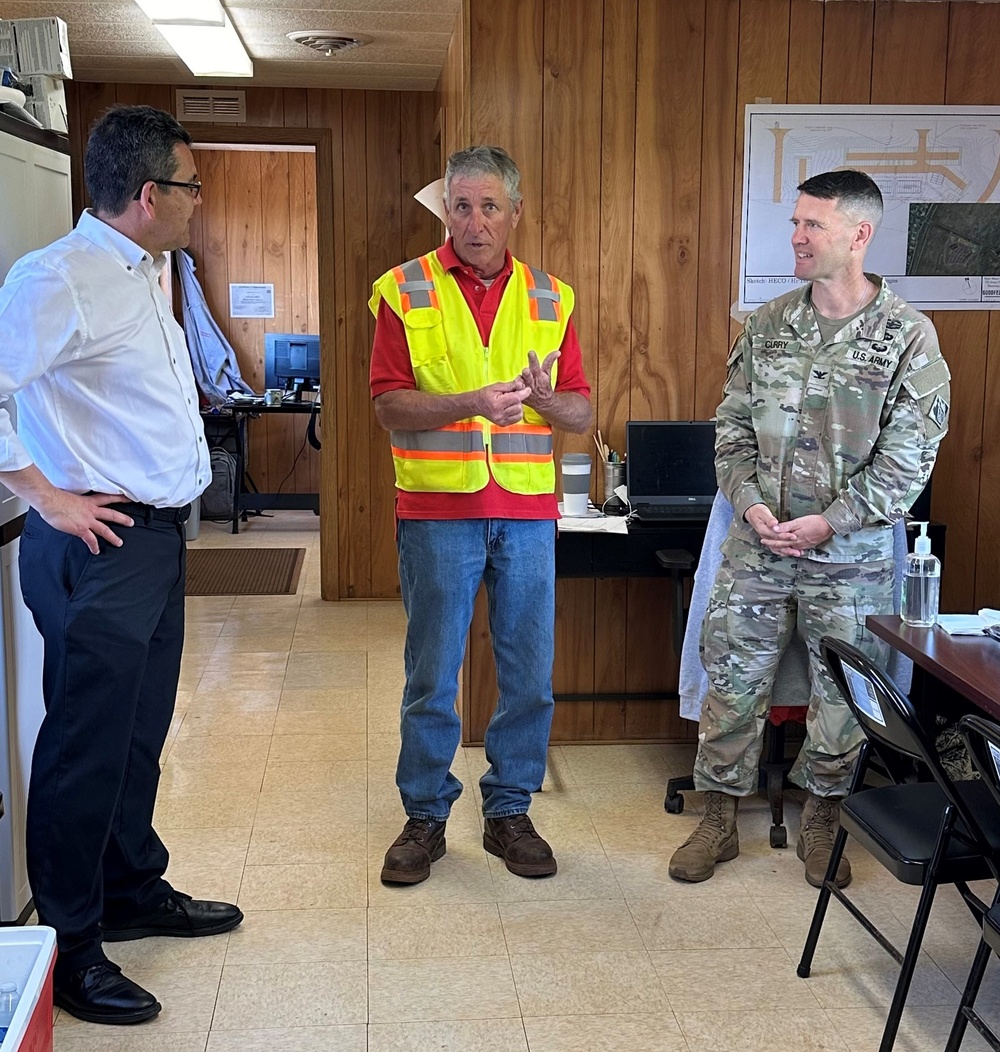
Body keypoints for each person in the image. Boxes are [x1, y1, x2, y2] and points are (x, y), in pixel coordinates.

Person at [0, 105, 242, 1025]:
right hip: (95, 545)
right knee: (83, 747)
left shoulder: (149, 270)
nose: (197, 201)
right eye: (190, 186)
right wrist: (45, 496)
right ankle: (71, 948)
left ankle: (132, 888)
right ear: (148, 194)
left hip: (154, 542)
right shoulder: (58, 278)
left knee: (137, 735)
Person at [668, 169, 950, 888]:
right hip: (757, 547)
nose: (796, 236)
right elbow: (730, 429)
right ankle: (718, 818)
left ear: (858, 235)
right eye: (795, 222)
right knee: (732, 678)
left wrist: (832, 520)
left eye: (812, 224)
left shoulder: (908, 336)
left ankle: (824, 819)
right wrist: (749, 504)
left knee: (844, 693)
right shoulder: (768, 325)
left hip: (851, 557)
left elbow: (910, 459)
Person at [368, 145, 591, 885]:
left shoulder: (552, 297)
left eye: (489, 206)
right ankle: (425, 817)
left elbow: (580, 412)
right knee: (432, 673)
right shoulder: (405, 290)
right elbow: (387, 405)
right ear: (447, 212)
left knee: (528, 672)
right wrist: (470, 402)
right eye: (460, 206)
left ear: (514, 213)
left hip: (526, 514)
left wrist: (545, 398)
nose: (474, 221)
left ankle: (510, 812)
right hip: (437, 510)